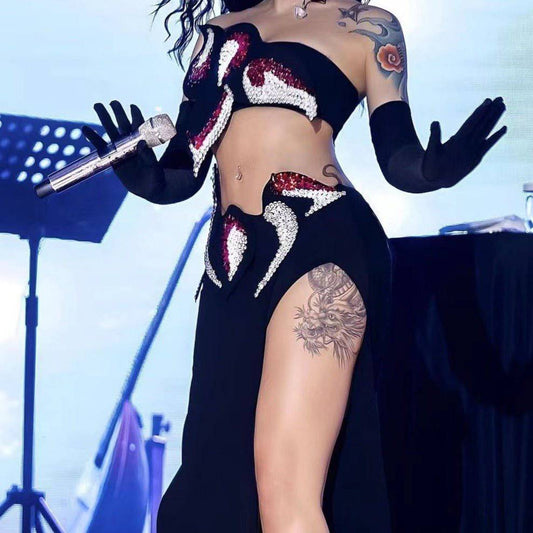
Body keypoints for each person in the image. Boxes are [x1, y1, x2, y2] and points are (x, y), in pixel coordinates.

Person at [82, 0, 507, 530]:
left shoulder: (366, 27)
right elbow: (184, 170)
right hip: (231, 260)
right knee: (212, 486)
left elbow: (399, 157)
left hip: (322, 241)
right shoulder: (216, 34)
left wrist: (433, 170)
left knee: (286, 488)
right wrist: (147, 180)